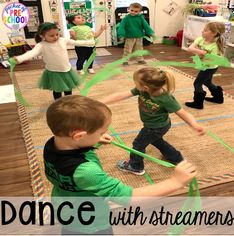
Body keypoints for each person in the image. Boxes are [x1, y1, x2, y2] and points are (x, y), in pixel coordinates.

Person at [44, 95, 196, 235]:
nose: (104, 133)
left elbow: (76, 150)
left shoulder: (52, 144)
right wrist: (175, 182)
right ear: (79, 136)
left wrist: (96, 140)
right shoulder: (86, 172)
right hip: (92, 224)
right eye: (100, 132)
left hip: (64, 210)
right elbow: (128, 198)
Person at [101, 67, 204, 175]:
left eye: (136, 83)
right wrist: (101, 102)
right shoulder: (143, 90)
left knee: (138, 144)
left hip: (155, 128)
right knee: (157, 141)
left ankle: (136, 166)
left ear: (145, 87)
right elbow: (121, 95)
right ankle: (177, 158)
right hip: (156, 126)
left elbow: (183, 113)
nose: (135, 85)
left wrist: (194, 125)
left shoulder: (166, 99)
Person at [14, 22, 95, 100]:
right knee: (57, 89)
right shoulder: (41, 45)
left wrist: (90, 42)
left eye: (57, 34)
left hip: (66, 69)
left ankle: (68, 101)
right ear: (42, 36)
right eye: (51, 35)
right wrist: (20, 58)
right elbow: (32, 53)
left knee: (68, 88)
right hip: (54, 71)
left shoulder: (62, 40)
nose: (56, 37)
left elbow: (76, 42)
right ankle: (58, 102)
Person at [185, 22, 226, 109]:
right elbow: (190, 48)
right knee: (207, 82)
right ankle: (218, 98)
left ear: (213, 33)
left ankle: (198, 103)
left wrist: (199, 54)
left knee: (197, 84)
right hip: (204, 65)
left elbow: (211, 60)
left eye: (205, 30)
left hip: (210, 67)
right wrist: (201, 52)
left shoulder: (215, 46)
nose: (202, 31)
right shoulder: (201, 39)